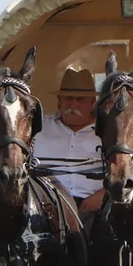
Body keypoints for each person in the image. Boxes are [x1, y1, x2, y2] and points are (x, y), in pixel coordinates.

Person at [31, 66, 106, 227]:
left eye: (80, 99)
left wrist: (104, 195)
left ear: (92, 102)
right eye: (68, 98)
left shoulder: (107, 132)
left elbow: (125, 171)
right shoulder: (38, 128)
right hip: (45, 210)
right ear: (59, 101)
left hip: (95, 211)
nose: (73, 104)